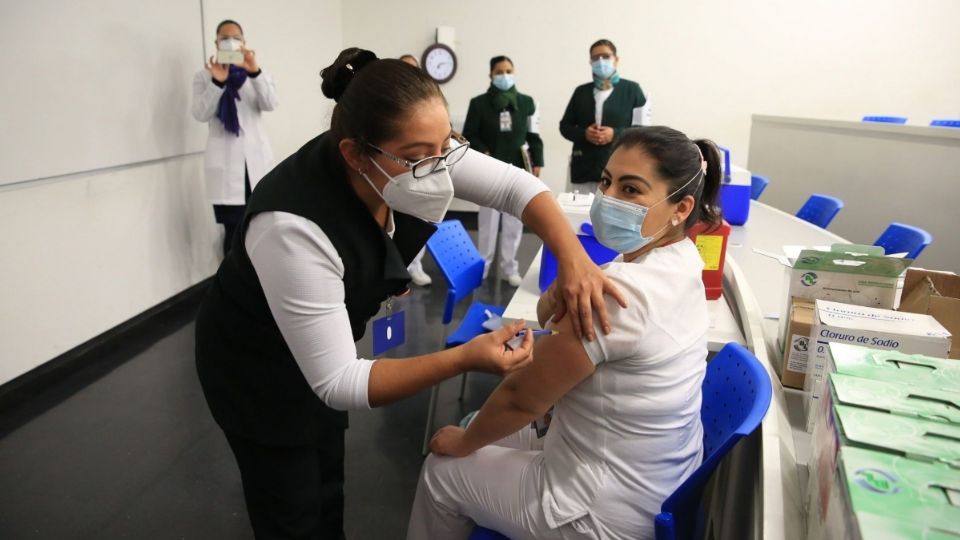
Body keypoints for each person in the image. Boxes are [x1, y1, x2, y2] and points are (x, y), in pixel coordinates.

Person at [195, 47, 626, 539]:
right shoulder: (292, 227)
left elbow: (516, 188)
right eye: (422, 158)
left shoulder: (416, 150)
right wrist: (465, 357)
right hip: (254, 368)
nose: (441, 169)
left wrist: (575, 260)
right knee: (289, 502)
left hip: (322, 345)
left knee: (327, 482)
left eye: (446, 147)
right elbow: (338, 380)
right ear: (356, 154)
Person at [408, 126, 722, 540]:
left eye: (631, 190)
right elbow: (548, 319)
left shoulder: (619, 292)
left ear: (680, 208)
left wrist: (464, 442)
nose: (609, 199)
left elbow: (523, 396)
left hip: (600, 512)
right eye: (607, 182)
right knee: (500, 432)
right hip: (655, 483)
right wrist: (566, 285)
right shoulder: (682, 262)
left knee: (442, 470)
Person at [192, 19, 279, 257]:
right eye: (224, 37)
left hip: (256, 166)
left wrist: (255, 72)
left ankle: (261, 281)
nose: (230, 42)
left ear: (244, 42)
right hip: (227, 168)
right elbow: (200, 113)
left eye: (235, 37)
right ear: (216, 42)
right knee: (233, 233)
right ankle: (232, 287)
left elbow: (270, 103)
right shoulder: (204, 76)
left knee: (262, 227)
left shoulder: (257, 74)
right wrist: (217, 82)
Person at [462, 56, 544, 286]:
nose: (505, 76)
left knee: (514, 223)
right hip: (488, 171)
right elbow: (469, 134)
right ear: (491, 75)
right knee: (487, 223)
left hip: (518, 172)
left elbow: (534, 136)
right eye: (499, 72)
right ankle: (483, 267)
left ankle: (510, 267)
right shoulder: (478, 103)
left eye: (509, 71)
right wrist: (483, 151)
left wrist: (537, 160)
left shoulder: (527, 103)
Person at [560, 39, 649, 195]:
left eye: (606, 56)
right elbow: (565, 127)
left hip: (619, 167)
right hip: (584, 168)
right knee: (579, 215)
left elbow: (643, 130)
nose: (601, 61)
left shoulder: (632, 90)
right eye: (595, 58)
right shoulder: (581, 92)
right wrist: (584, 134)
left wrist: (614, 134)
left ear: (616, 59)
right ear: (590, 62)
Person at [397, 53, 433, 286]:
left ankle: (416, 266)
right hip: (395, 171)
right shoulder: (386, 102)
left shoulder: (428, 100)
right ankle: (398, 271)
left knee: (418, 219)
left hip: (421, 169)